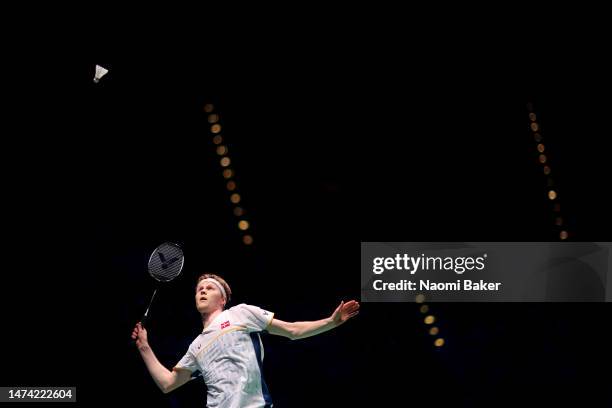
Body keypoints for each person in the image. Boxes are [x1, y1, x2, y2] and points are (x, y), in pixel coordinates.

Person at [131, 273, 360, 407]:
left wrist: (330, 322)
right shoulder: (196, 346)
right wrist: (144, 346)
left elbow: (292, 330)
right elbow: (168, 384)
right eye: (199, 289)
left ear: (222, 299)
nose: (202, 291)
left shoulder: (240, 313)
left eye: (209, 288)